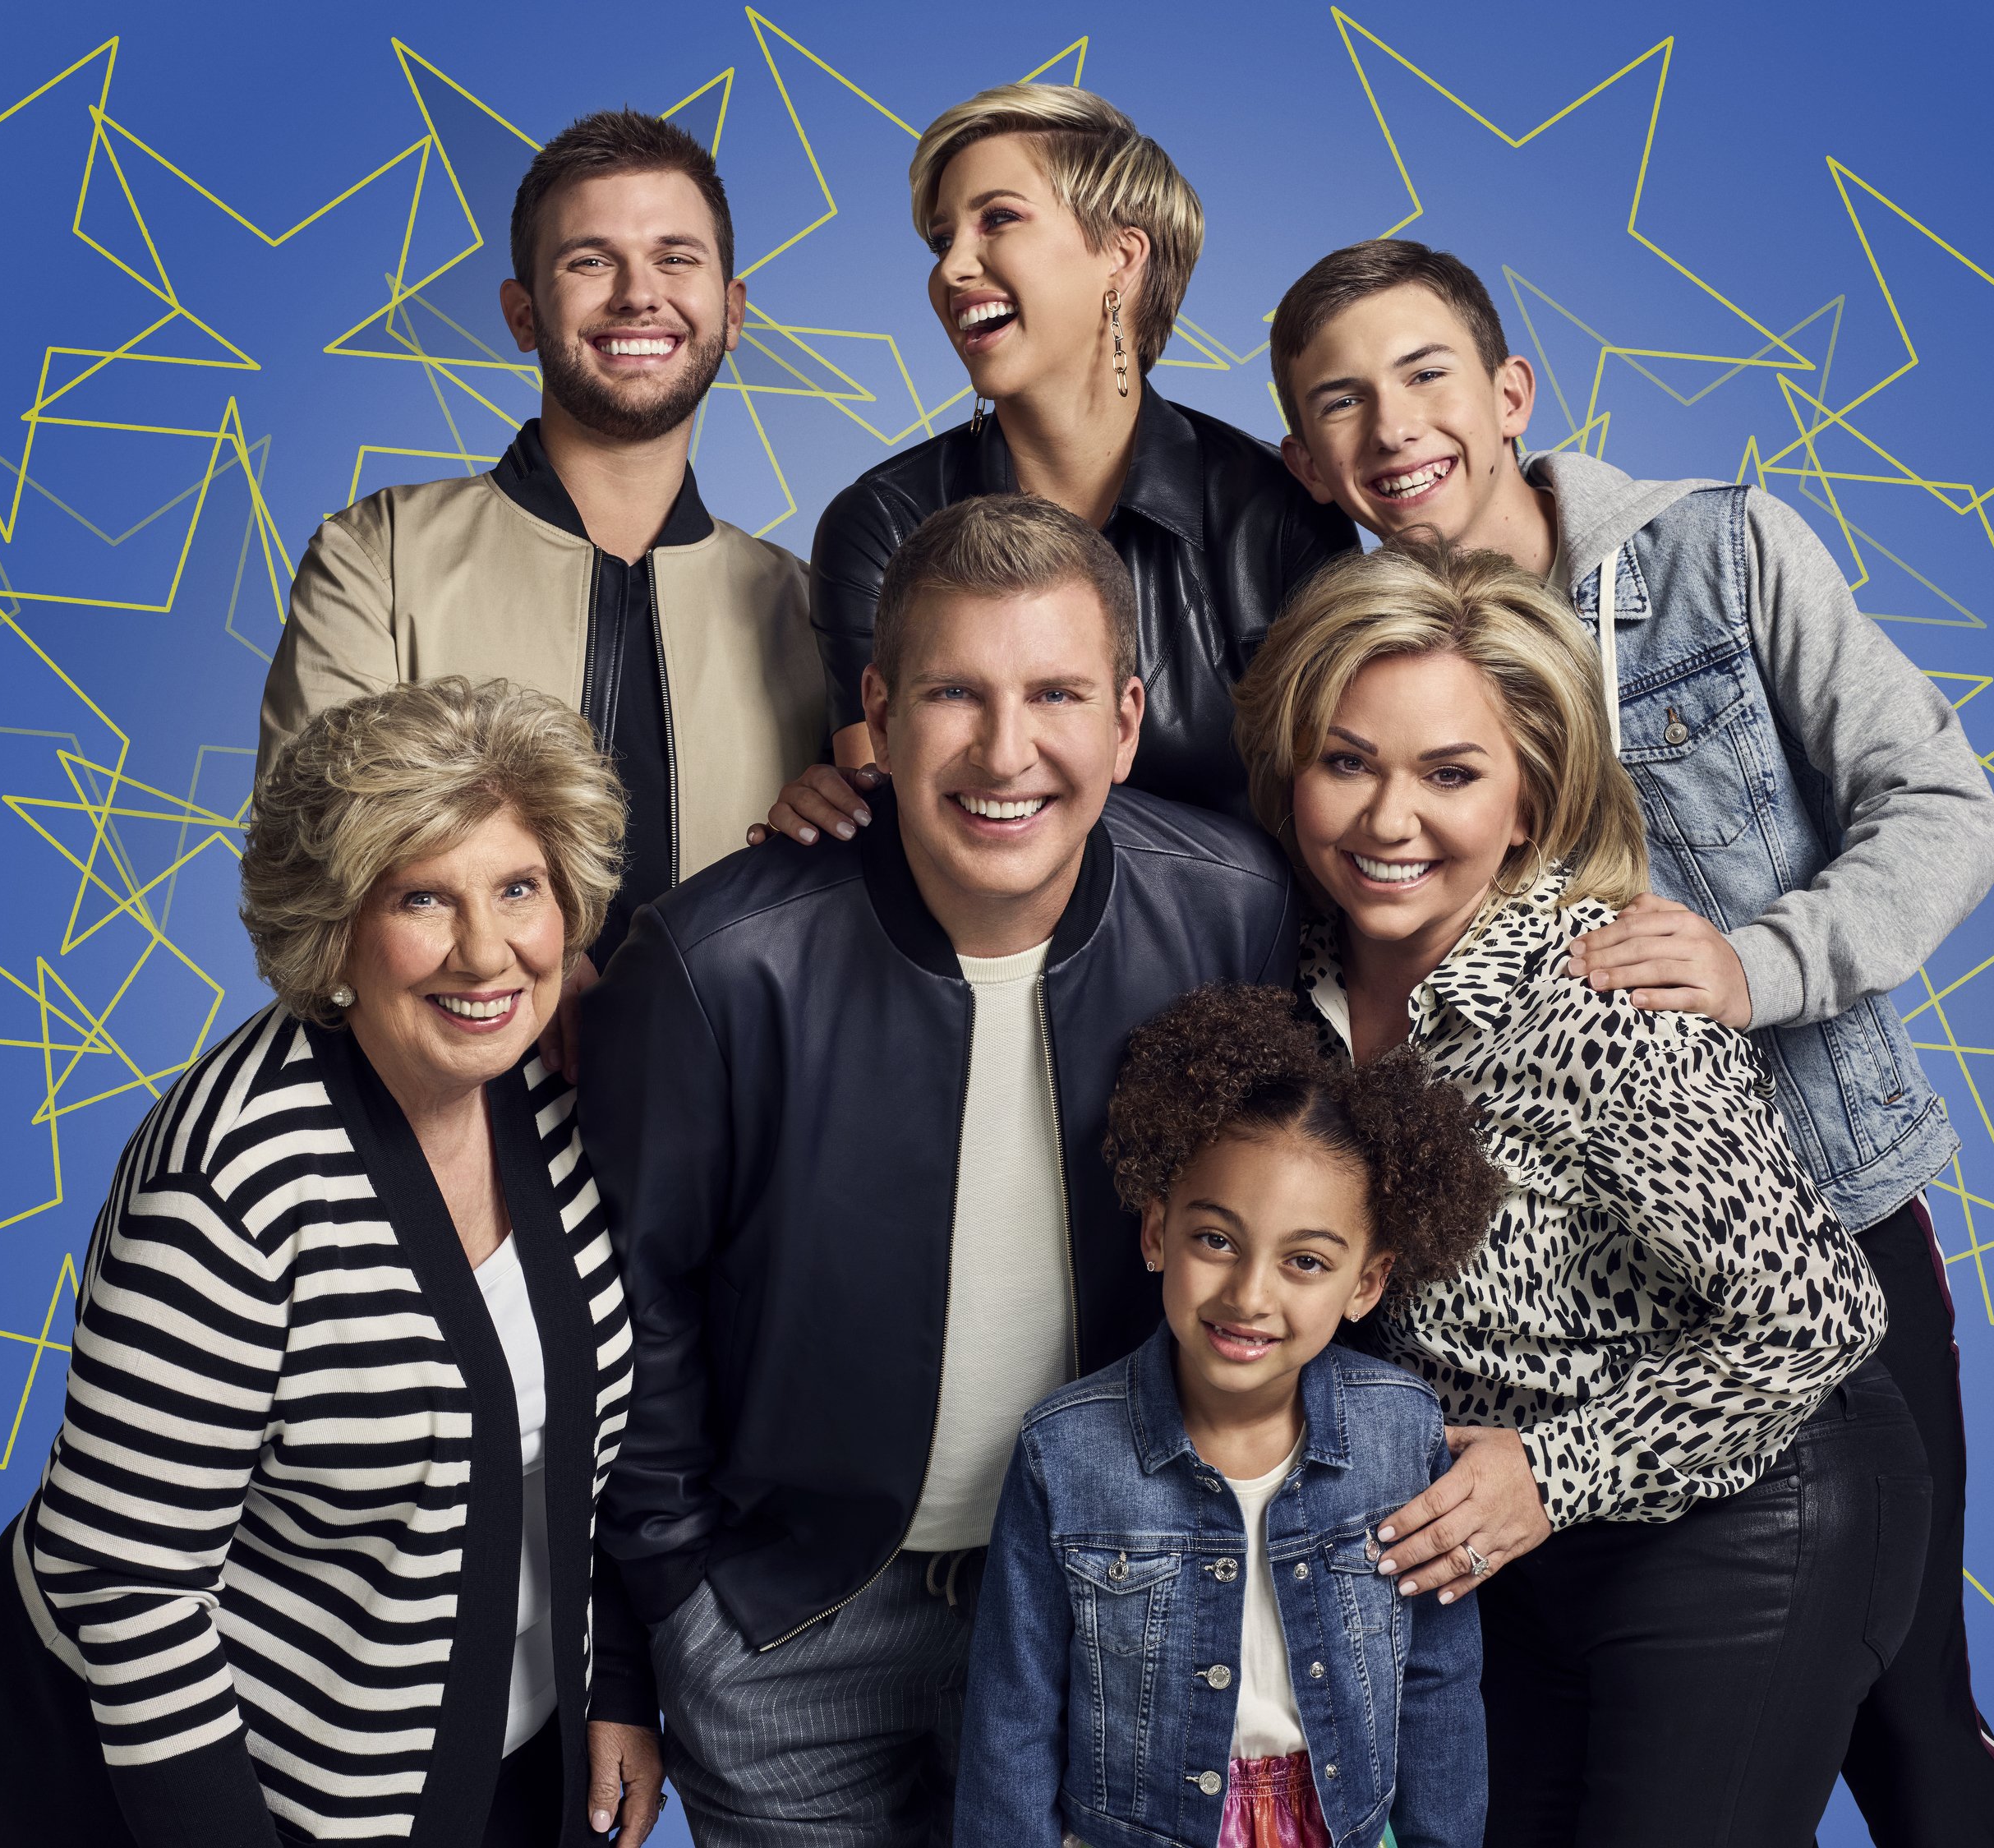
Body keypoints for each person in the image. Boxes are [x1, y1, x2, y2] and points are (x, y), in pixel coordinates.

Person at [1269, 237, 1994, 1847]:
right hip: (1563, 1308)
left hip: (1808, 1214)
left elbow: (1948, 806)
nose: (1393, 426)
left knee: (1904, 1699)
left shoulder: (1714, 558)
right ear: (1300, 455)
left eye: (1424, 376)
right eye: (1341, 400)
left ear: (1510, 393)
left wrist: (1758, 965)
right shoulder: (1358, 661)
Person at [575, 495, 1302, 1846]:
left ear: (1128, 721)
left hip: (1105, 1590)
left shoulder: (1228, 904)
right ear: (881, 713)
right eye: (955, 693)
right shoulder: (716, 964)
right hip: (789, 1621)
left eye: (1056, 694)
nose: (1005, 748)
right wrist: (656, 1619)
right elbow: (633, 1312)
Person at [1232, 545, 1931, 1846]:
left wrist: (1556, 1469)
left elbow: (1819, 1315)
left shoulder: (1595, 1002)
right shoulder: (1300, 987)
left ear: (1531, 800)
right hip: (1524, 1536)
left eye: (1450, 774)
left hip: (1752, 1507)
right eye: (1348, 762)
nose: (1390, 821)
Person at [0, 680, 662, 1847]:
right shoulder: (231, 1186)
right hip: (231, 1784)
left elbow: (576, 1453)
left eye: (518, 888)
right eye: (424, 897)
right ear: (335, 927)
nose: (487, 951)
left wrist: (615, 1687)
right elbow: (127, 1588)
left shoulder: (546, 1088)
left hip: (502, 1747)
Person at [259, 108, 826, 1012]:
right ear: (523, 314)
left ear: (733, 310)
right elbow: (311, 846)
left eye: (677, 258)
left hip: (734, 1130)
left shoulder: (805, 608)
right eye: (589, 260)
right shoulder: (378, 557)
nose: (639, 293)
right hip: (441, 1112)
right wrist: (539, 963)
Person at [957, 984, 1498, 1848]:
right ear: (1156, 1231)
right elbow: (1012, 1721)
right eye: (1216, 1239)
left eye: (1306, 1260)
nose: (1250, 1294)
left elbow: (1437, 1686)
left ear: (1367, 1281)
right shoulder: (1062, 1454)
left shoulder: (1402, 1436)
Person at [758, 83, 1357, 849]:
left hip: (1251, 958)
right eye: (943, 242)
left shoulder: (1276, 513)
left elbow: (1345, 802)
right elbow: (915, 832)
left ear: (1122, 253)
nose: (952, 270)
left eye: (998, 219)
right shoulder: (881, 523)